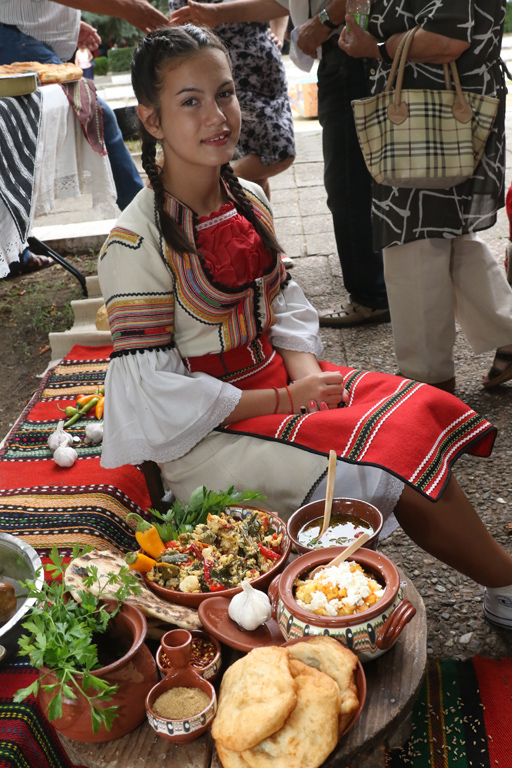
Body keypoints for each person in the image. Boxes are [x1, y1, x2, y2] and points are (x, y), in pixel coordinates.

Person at [98, 25, 512, 629]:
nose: (217, 116)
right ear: (152, 121)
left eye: (227, 93)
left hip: (282, 385)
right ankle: (494, 583)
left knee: (418, 409)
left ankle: (498, 582)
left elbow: (283, 300)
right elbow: (155, 400)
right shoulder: (134, 244)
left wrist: (306, 378)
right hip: (204, 435)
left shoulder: (249, 201)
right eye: (190, 102)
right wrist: (287, 400)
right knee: (377, 464)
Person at [171, 0, 390, 327]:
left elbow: (282, 5)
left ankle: (371, 294)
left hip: (324, 52)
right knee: (344, 181)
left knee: (336, 178)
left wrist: (315, 22)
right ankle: (263, 252)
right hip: (318, 54)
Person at [338, 0, 512, 392]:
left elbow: (449, 37)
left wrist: (376, 49)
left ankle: (427, 381)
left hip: (432, 114)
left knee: (411, 240)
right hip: (441, 112)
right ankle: (506, 332)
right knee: (444, 235)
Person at [0, 0, 170, 274]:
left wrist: (67, 27)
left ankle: (15, 253)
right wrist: (130, 8)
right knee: (97, 115)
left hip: (21, 33)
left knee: (17, 141)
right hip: (15, 35)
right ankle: (155, 228)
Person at [168, 1, 295, 199]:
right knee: (276, 152)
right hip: (222, 72)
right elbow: (182, 24)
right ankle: (207, 193)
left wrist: (277, 35)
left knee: (259, 170)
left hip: (265, 71)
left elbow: (283, 3)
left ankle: (258, 227)